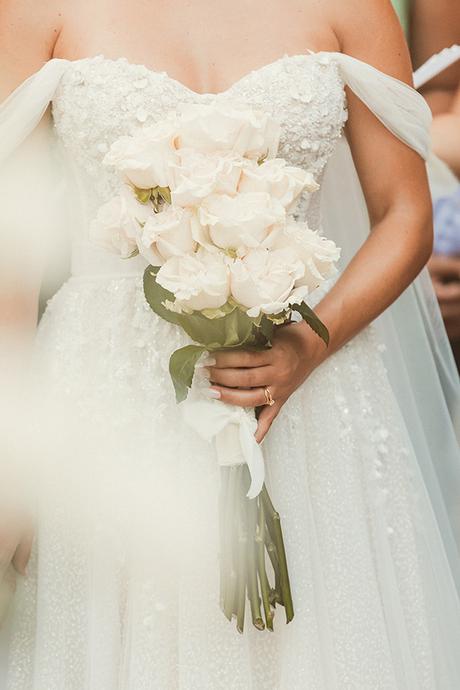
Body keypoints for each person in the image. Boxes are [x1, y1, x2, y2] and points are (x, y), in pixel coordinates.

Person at [1, 0, 460, 687]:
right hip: (104, 406)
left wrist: (308, 342)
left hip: (309, 403)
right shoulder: (35, 9)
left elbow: (404, 214)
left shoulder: (353, 7)